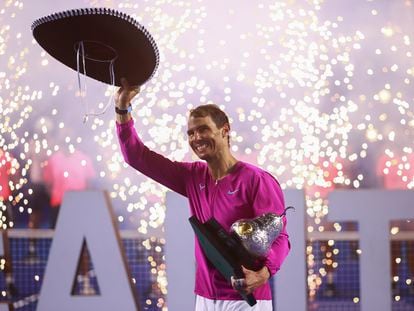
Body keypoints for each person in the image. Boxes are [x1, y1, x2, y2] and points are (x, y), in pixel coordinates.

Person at [115, 78, 290, 310]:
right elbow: (137, 156)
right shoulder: (192, 176)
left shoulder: (256, 180)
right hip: (205, 298)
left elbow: (281, 238)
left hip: (246, 300)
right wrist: (122, 107)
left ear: (224, 130)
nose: (196, 138)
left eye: (203, 129)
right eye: (191, 133)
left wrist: (264, 273)